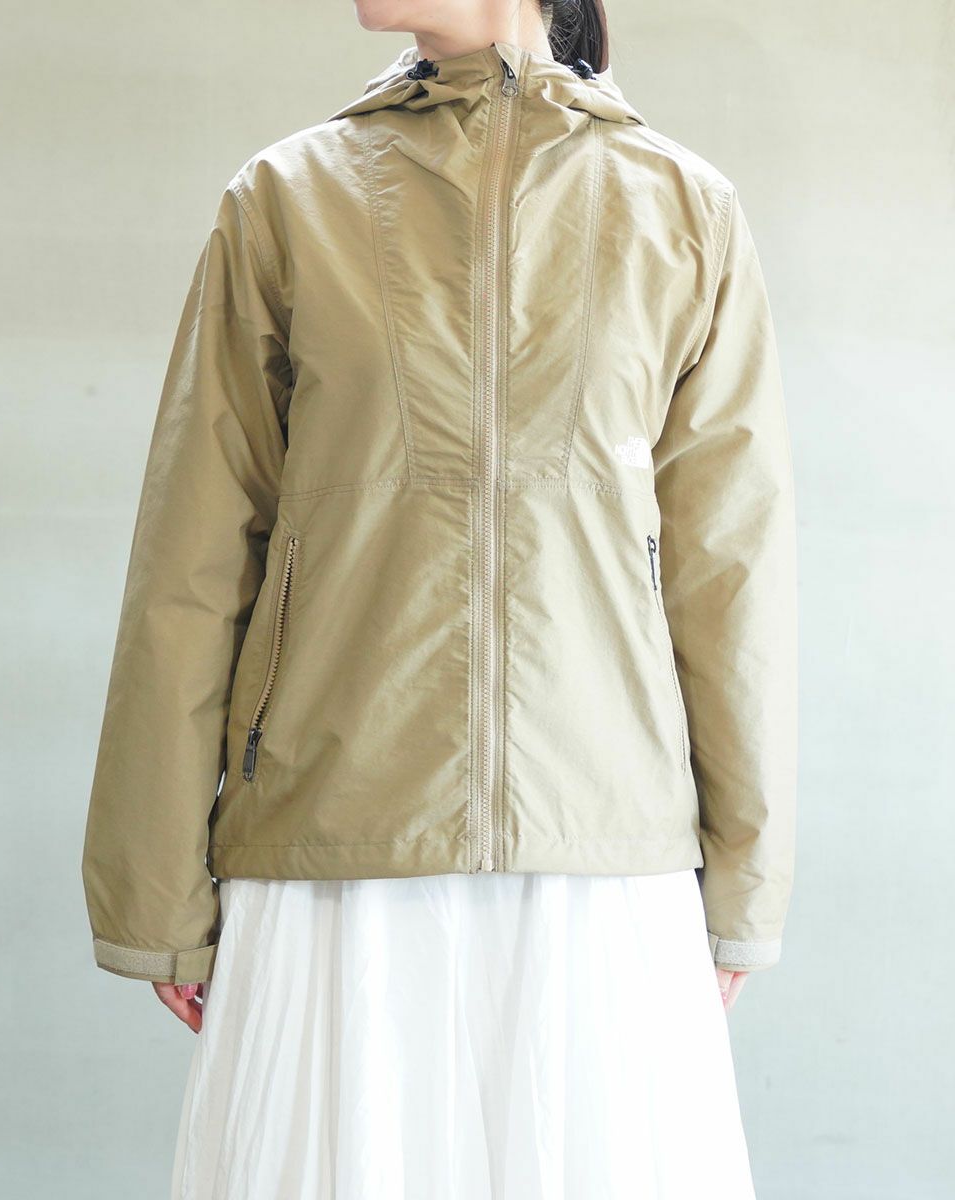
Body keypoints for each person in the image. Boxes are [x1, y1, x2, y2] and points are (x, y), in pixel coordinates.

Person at [81, 1, 798, 1196]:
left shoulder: (681, 208)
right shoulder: (287, 199)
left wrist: (742, 882)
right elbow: (189, 563)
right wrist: (155, 888)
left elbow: (730, 573)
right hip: (334, 845)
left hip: (600, 856)